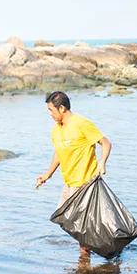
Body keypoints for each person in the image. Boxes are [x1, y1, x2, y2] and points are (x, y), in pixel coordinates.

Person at [36, 91, 112, 256]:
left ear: (62, 108)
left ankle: (87, 257)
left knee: (82, 225)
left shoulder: (81, 123)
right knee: (64, 219)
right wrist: (48, 174)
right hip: (69, 183)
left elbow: (105, 143)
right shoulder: (56, 130)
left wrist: (102, 163)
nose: (50, 114)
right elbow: (59, 153)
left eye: (51, 110)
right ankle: (93, 251)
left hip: (86, 184)